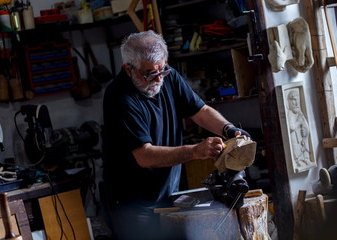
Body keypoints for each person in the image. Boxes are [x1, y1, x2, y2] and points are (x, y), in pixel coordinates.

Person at [102, 30, 250, 240]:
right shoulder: (119, 97)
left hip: (168, 195)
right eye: (149, 73)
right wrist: (196, 151)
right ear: (128, 69)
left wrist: (228, 129)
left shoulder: (168, 76)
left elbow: (200, 111)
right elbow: (145, 156)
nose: (158, 79)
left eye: (162, 70)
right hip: (133, 206)